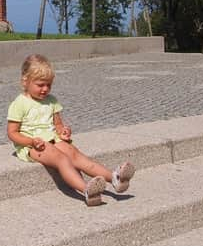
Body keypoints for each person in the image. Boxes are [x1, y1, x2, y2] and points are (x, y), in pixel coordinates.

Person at [7, 54, 135, 206]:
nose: (45, 89)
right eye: (40, 85)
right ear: (25, 81)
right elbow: (12, 133)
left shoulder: (51, 100)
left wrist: (63, 131)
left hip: (54, 139)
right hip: (32, 145)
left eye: (49, 85)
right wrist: (31, 141)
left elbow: (58, 124)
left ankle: (115, 178)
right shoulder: (19, 103)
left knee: (78, 156)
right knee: (62, 159)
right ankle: (87, 190)